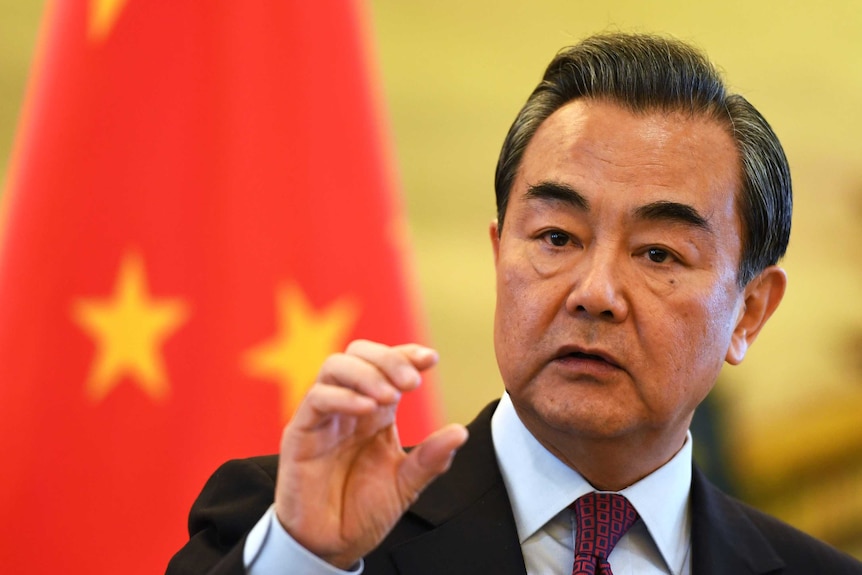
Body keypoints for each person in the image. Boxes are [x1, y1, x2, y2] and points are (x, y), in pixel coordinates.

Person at [167, 33, 862, 574]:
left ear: (749, 312)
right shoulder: (291, 524)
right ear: (502, 255)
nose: (594, 293)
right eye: (557, 236)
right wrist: (309, 559)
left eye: (658, 253)